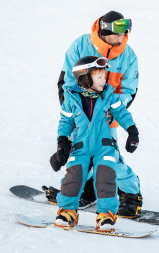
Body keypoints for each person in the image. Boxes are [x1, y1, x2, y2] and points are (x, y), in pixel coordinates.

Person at [49, 10, 142, 217]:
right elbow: (66, 82)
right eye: (117, 34)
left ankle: (131, 194)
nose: (122, 38)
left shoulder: (128, 55)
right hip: (81, 116)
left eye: (125, 33)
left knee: (111, 161)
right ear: (104, 30)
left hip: (109, 115)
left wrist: (114, 111)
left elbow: (130, 89)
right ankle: (86, 191)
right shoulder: (81, 45)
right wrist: (73, 113)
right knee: (79, 156)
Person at [53, 56, 139, 232]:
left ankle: (106, 215)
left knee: (105, 178)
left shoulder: (109, 95)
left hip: (104, 146)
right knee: (73, 177)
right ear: (85, 78)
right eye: (99, 77)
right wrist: (62, 141)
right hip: (81, 146)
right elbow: (65, 122)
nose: (104, 80)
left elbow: (121, 113)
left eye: (104, 76)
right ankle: (68, 211)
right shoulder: (71, 99)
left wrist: (132, 131)